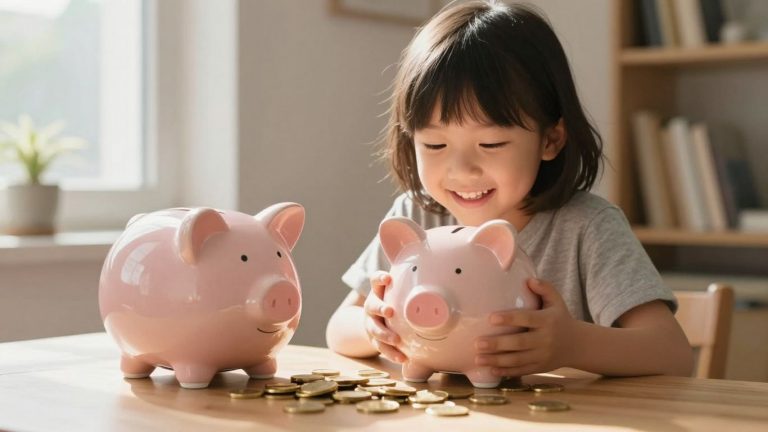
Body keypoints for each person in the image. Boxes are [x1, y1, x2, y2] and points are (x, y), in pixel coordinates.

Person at [325, 0, 693, 378]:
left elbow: (673, 353)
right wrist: (375, 328)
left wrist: (573, 344)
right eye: (435, 145)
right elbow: (339, 328)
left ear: (550, 140)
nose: (462, 170)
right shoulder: (415, 217)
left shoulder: (588, 228)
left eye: (491, 145)